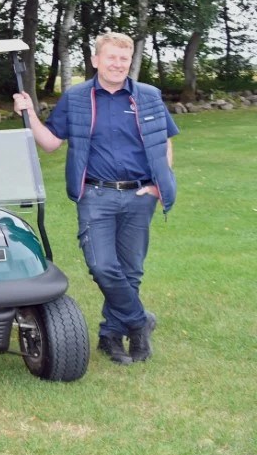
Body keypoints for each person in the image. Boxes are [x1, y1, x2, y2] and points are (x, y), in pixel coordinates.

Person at [13, 31, 178, 365]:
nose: (117, 64)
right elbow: (50, 143)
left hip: (139, 195)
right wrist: (28, 113)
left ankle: (111, 336)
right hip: (96, 195)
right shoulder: (76, 98)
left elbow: (164, 142)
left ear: (129, 62)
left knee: (130, 270)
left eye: (123, 59)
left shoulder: (147, 96)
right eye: (111, 57)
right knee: (102, 266)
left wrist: (160, 184)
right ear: (96, 60)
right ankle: (139, 321)